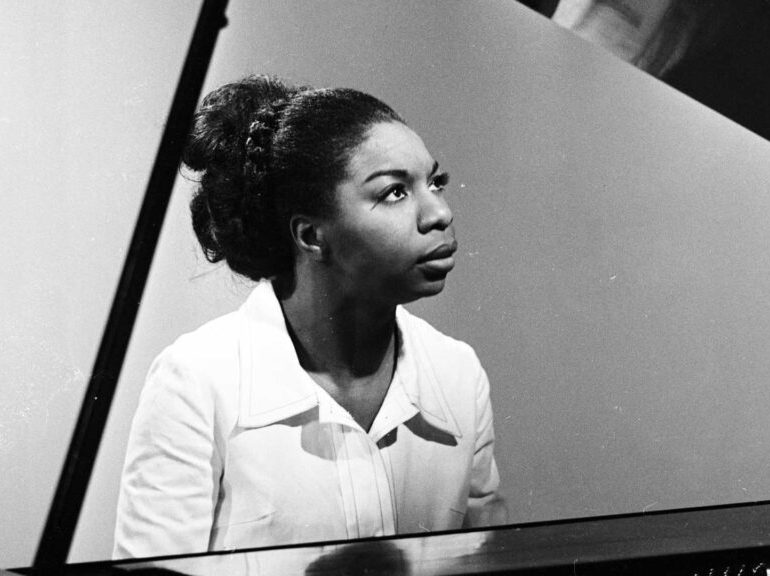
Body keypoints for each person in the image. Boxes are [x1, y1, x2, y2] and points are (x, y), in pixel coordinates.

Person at [113, 75, 505, 559]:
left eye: (435, 182)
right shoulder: (195, 382)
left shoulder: (458, 373)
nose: (439, 213)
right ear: (312, 236)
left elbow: (486, 560)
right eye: (395, 193)